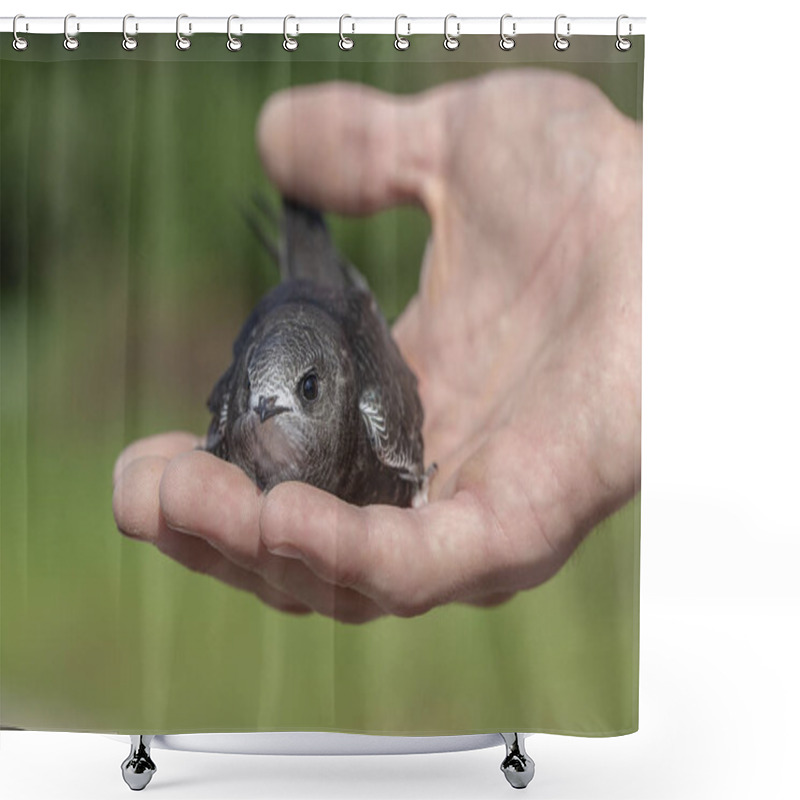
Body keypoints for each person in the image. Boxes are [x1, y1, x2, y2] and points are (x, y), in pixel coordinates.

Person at [112, 69, 642, 625]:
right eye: (254, 393)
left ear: (334, 387)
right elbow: (260, 394)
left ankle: (302, 235)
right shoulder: (243, 411)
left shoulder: (369, 410)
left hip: (341, 313)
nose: (263, 409)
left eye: (306, 391)